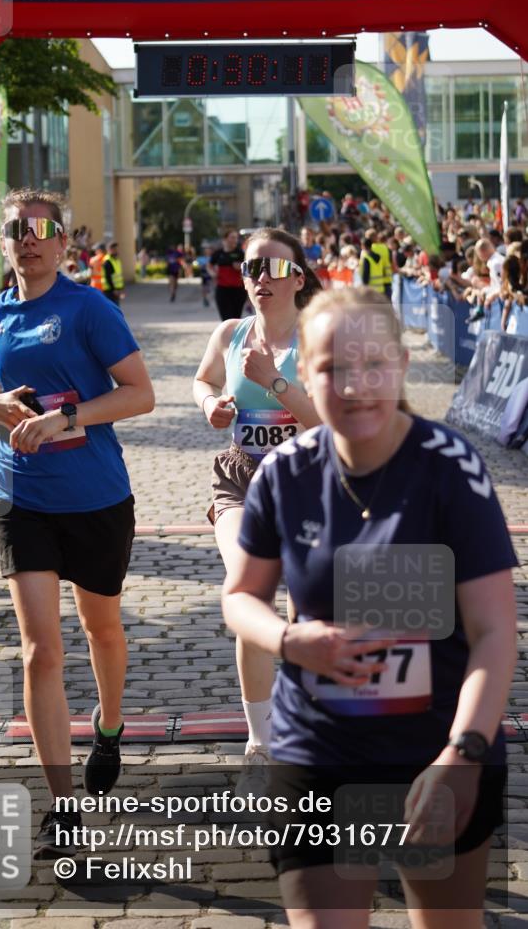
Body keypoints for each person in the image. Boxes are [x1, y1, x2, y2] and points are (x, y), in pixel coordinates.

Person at [222, 286, 517, 928]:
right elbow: (241, 596)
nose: (356, 387)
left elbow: (495, 632)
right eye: (332, 369)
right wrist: (287, 640)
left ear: (403, 367)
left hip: (436, 746)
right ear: (301, 372)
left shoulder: (451, 470)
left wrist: (462, 754)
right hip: (318, 746)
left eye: (374, 367)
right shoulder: (285, 474)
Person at [0, 188, 154, 859]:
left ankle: (108, 725)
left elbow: (141, 393)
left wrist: (66, 419)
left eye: (42, 228)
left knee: (101, 629)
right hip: (20, 497)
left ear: (63, 243)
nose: (28, 238)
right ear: (4, 238)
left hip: (97, 497)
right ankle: (63, 806)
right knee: (41, 648)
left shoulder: (88, 307)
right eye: (17, 228)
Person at [193, 227, 321, 782]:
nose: (258, 279)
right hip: (241, 479)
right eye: (250, 269)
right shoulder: (230, 332)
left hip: (308, 482)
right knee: (248, 595)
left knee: (304, 612)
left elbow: (328, 420)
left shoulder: (320, 339)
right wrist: (212, 406)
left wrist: (274, 382)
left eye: (271, 268)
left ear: (298, 276)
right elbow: (201, 381)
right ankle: (260, 740)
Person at [209, 229, 246, 320]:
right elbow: (209, 265)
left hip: (238, 290)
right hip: (223, 290)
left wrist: (241, 267)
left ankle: (235, 334)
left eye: (236, 238)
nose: (235, 240)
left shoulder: (240, 253)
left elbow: (248, 268)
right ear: (225, 239)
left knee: (236, 319)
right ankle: (228, 334)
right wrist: (213, 273)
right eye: (232, 237)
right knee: (226, 319)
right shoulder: (218, 253)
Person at [102, 241, 125, 305]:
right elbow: (108, 277)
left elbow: (119, 276)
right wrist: (113, 290)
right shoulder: (107, 261)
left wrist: (121, 289)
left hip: (116, 290)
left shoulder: (116, 260)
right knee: (112, 310)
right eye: (115, 249)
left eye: (117, 249)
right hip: (110, 291)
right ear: (110, 250)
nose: (117, 251)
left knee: (116, 309)